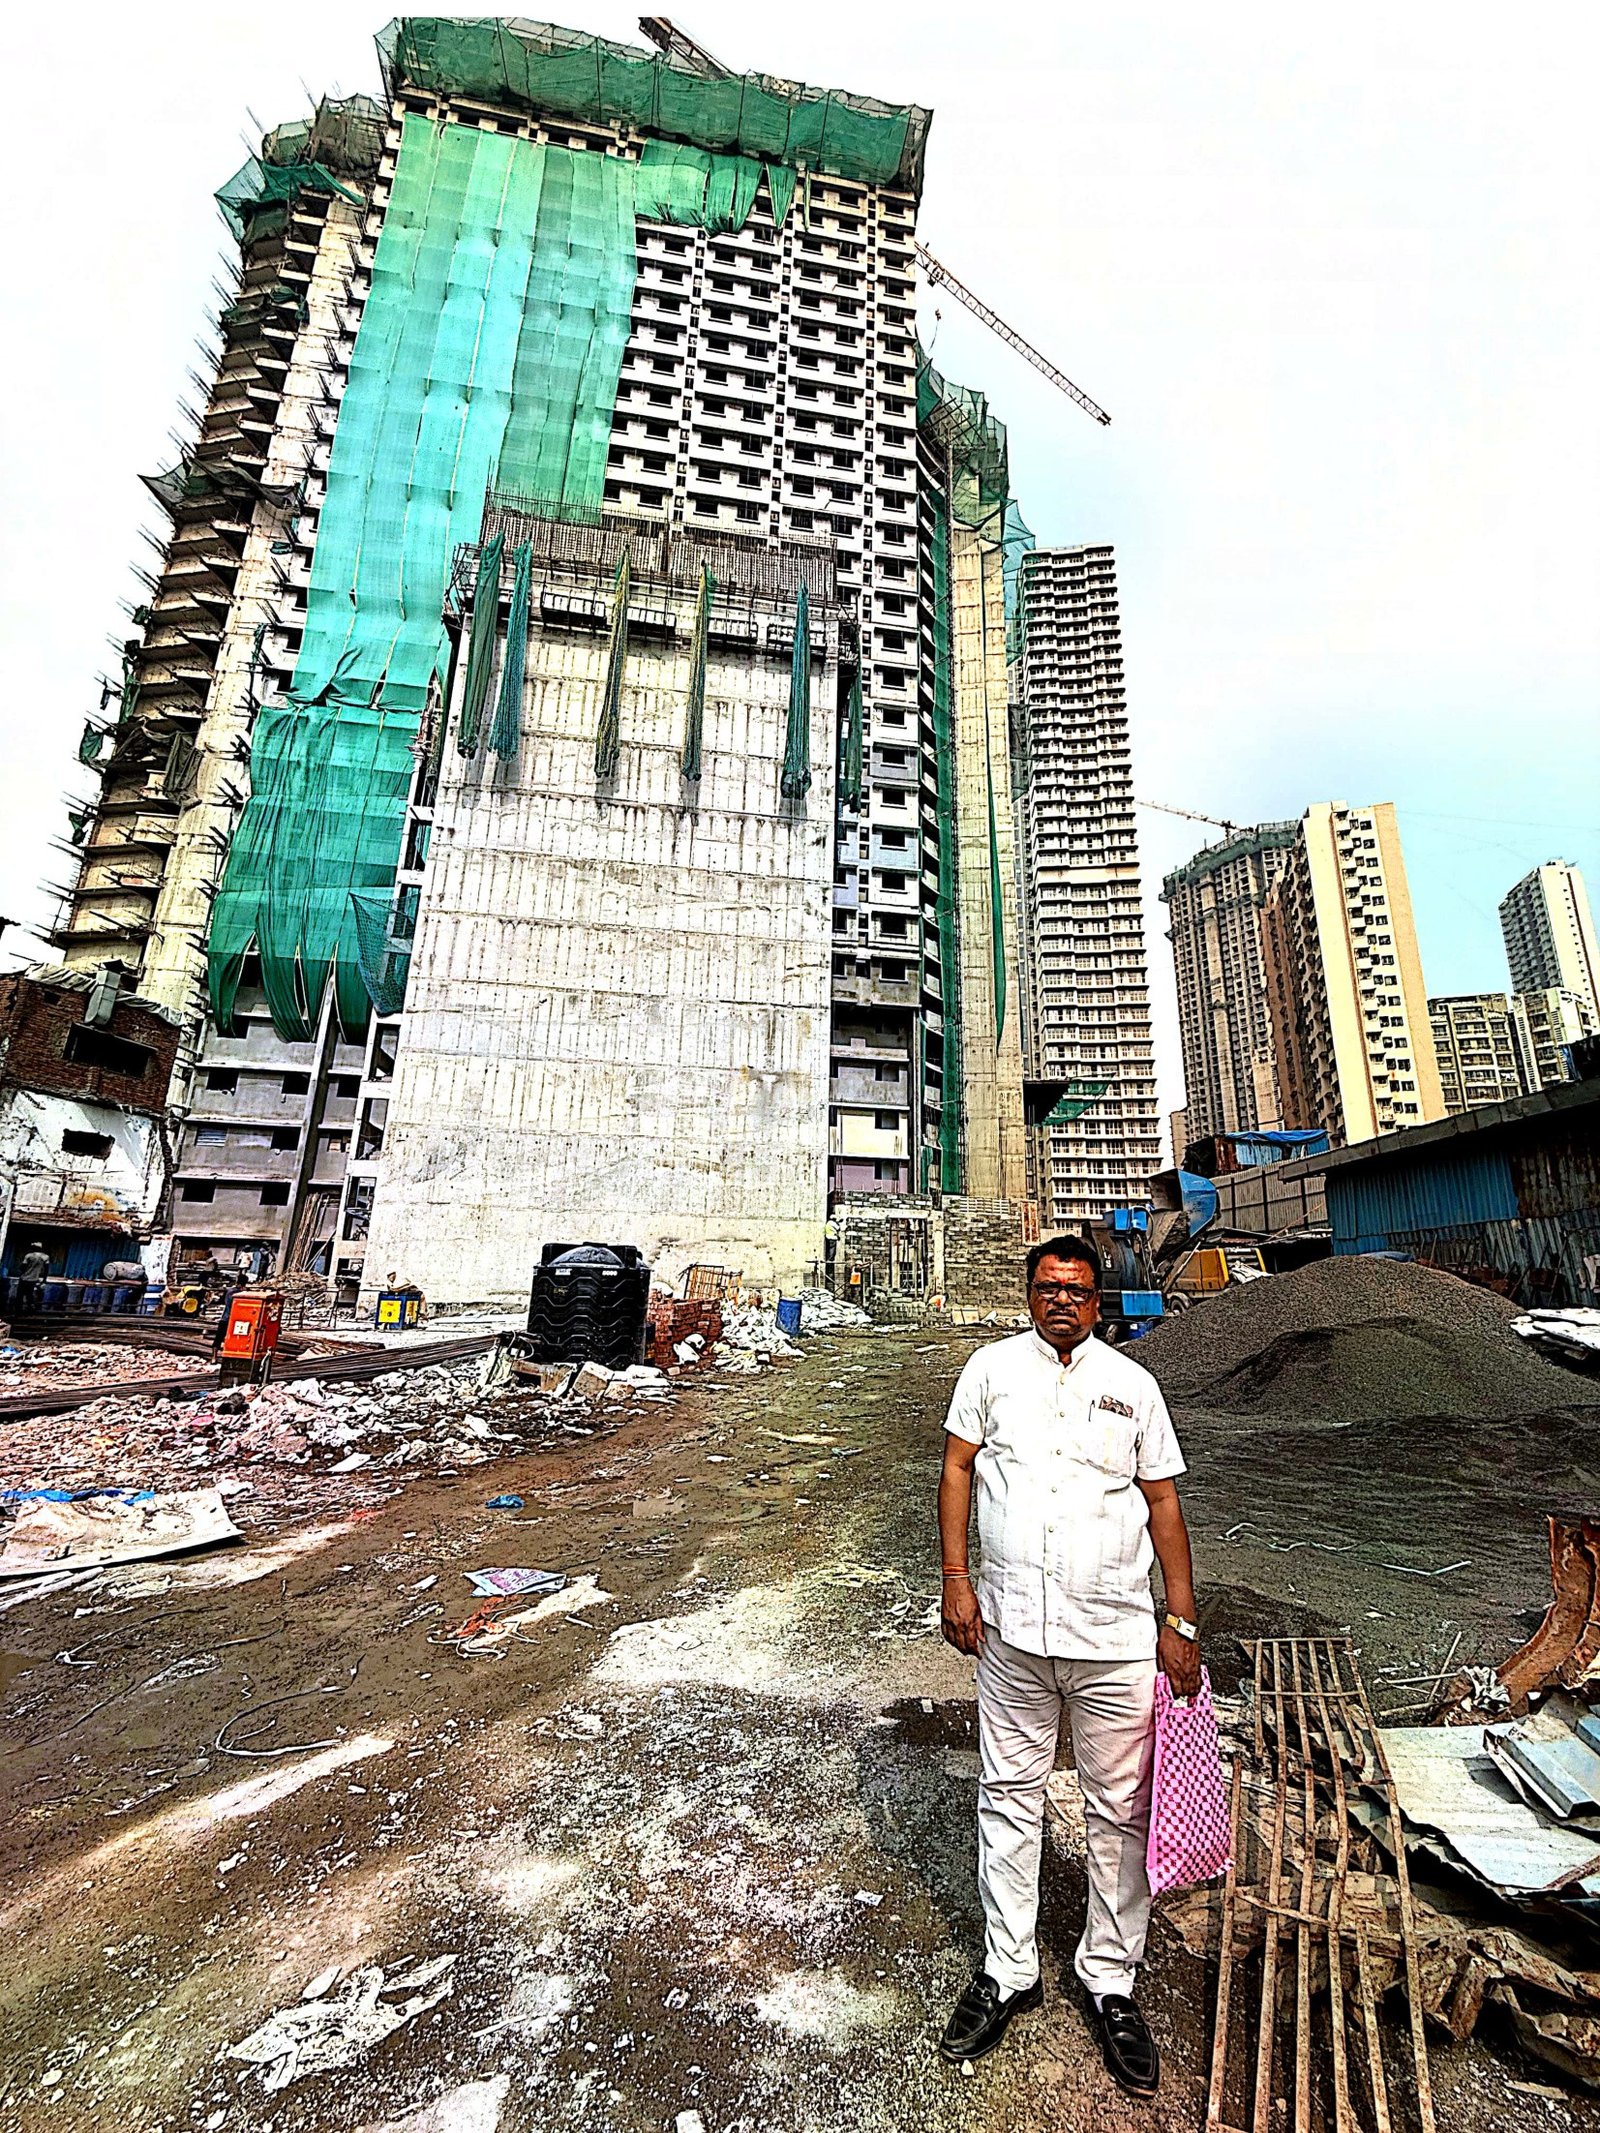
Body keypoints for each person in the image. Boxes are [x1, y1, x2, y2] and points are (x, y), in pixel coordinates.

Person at [936, 1233, 1200, 2096]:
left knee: (1117, 1810)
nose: (1062, 1300)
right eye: (1048, 1286)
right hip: (1010, 1633)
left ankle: (1110, 1978)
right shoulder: (989, 1371)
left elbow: (1163, 1502)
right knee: (1007, 1795)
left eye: (1078, 1290)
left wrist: (1182, 1621)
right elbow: (957, 1469)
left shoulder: (1134, 1387)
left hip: (1116, 1638)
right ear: (1029, 1292)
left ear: (1098, 1302)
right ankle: (1009, 1967)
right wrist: (955, 1581)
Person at [18, 1241, 50, 1314]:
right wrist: (44, 1280)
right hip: (34, 1279)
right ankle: (30, 1311)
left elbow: (22, 1267)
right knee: (30, 1295)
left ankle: (19, 1311)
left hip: (24, 1278)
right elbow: (46, 1270)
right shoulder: (45, 1257)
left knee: (20, 1296)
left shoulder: (29, 1256)